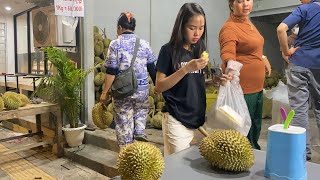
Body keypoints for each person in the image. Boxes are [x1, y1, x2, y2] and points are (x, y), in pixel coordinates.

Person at [155, 3, 232, 156]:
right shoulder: (168, 50)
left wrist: (214, 82)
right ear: (181, 26)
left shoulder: (199, 49)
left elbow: (194, 82)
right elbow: (159, 86)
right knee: (176, 169)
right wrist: (185, 69)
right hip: (176, 119)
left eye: (201, 28)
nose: (197, 33)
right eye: (192, 28)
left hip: (198, 121)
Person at [219, 0, 271, 150]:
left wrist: (263, 57)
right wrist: (229, 66)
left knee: (255, 124)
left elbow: (253, 46)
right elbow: (228, 52)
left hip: (257, 87)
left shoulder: (247, 22)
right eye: (240, 1)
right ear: (231, 4)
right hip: (243, 88)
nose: (245, 4)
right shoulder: (229, 27)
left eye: (248, 0)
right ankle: (243, 156)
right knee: (243, 128)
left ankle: (253, 151)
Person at [100, 12, 157, 148]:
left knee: (124, 122)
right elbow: (152, 68)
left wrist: (104, 93)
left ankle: (126, 152)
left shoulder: (115, 44)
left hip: (122, 91)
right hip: (142, 90)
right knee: (141, 113)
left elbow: (111, 71)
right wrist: (158, 87)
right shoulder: (144, 43)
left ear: (120, 27)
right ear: (133, 27)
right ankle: (139, 134)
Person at [277, 0, 320, 161]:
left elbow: (281, 28)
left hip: (300, 64)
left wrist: (287, 52)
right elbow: (293, 34)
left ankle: (303, 155)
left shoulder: (305, 9)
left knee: (300, 109)